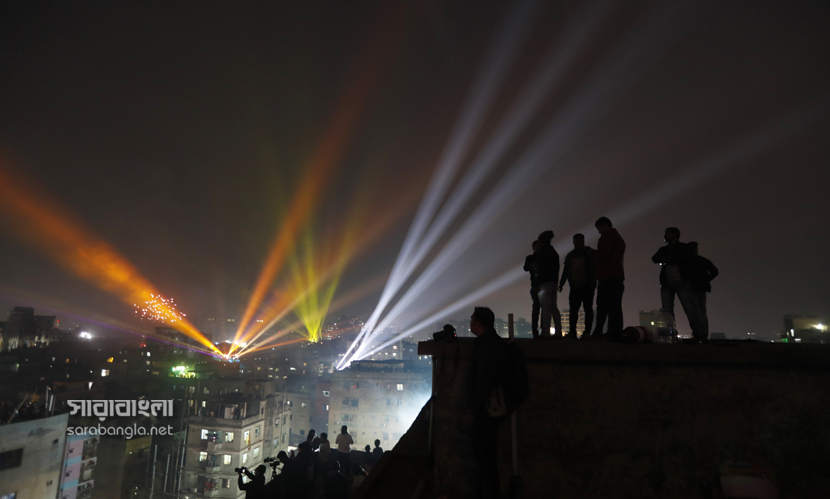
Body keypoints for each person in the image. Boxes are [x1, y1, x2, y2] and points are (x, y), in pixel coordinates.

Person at [466, 306, 510, 499]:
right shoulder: (494, 343)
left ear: (477, 323)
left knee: (484, 460)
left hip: (485, 413)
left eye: (472, 319)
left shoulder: (487, 346)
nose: (470, 322)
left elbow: (483, 382)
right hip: (490, 411)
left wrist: (472, 411)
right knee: (486, 460)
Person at [652, 227, 701, 340]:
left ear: (674, 235)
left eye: (666, 233)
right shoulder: (675, 249)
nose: (664, 236)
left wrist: (666, 259)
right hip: (669, 283)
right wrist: (669, 258)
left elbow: (657, 259)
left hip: (679, 283)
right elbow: (655, 258)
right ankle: (692, 333)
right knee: (670, 310)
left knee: (686, 309)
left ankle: (696, 333)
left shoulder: (680, 248)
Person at [592, 217, 626, 338]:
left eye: (599, 228)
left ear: (604, 225)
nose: (598, 231)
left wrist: (591, 252)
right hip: (616, 276)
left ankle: (599, 332)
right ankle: (614, 332)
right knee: (615, 307)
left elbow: (603, 253)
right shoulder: (617, 237)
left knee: (603, 306)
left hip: (608, 276)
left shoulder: (608, 236)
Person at [559, 233, 596, 339]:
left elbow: (566, 271)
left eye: (580, 241)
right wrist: (561, 283)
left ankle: (578, 332)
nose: (579, 243)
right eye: (577, 241)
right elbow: (566, 271)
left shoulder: (573, 255)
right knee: (580, 310)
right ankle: (583, 332)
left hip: (583, 286)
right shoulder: (587, 254)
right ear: (574, 242)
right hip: (579, 286)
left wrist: (561, 284)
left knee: (579, 310)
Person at [687, 241, 719, 342]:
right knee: (702, 311)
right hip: (702, 288)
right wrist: (705, 280)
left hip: (692, 288)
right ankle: (704, 333)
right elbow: (715, 271)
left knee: (695, 311)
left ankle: (699, 333)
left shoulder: (687, 261)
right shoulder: (703, 260)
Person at [535, 231, 563, 338]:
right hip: (553, 283)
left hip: (544, 284)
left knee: (545, 308)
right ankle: (558, 332)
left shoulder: (542, 253)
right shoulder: (554, 252)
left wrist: (537, 283)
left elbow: (541, 270)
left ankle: (545, 332)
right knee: (554, 308)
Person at [523, 240, 541, 337]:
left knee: (538, 309)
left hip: (540, 286)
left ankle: (539, 330)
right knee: (537, 308)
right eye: (536, 246)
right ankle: (536, 330)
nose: (538, 248)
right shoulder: (530, 258)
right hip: (535, 286)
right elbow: (525, 268)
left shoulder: (533, 258)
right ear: (533, 248)